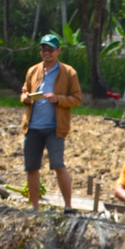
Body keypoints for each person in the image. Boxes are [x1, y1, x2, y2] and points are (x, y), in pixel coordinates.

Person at [20, 33, 82, 213]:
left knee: (58, 165)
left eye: (50, 50)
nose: (46, 53)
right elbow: (24, 91)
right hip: (33, 127)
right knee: (32, 168)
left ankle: (68, 206)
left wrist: (58, 99)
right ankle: (35, 207)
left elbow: (77, 99)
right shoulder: (33, 71)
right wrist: (26, 98)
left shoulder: (69, 73)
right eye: (43, 49)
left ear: (58, 51)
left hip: (55, 128)